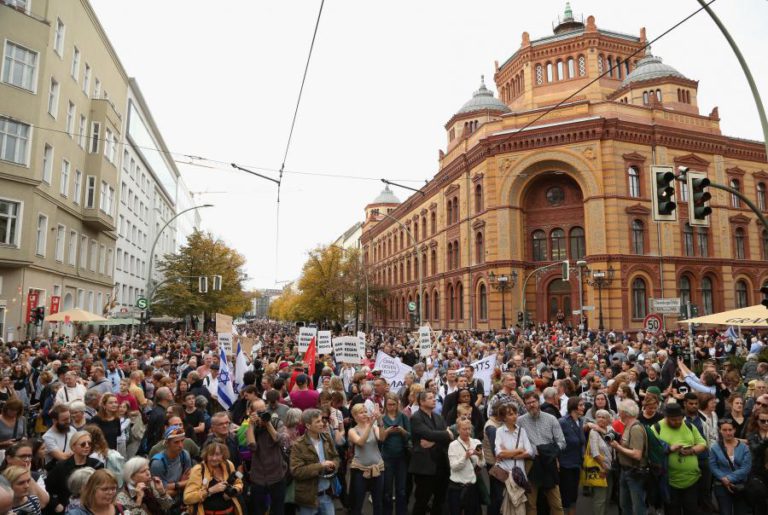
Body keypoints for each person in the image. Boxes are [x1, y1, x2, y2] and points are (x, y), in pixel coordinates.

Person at [651, 402, 707, 515]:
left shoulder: (689, 426)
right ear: (666, 417)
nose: (677, 422)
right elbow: (652, 452)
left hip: (691, 479)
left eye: (679, 419)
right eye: (673, 420)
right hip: (669, 482)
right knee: (672, 511)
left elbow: (703, 444)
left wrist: (691, 450)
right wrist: (669, 449)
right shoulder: (656, 428)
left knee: (691, 510)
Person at [517, 390, 565, 515]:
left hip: (549, 462)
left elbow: (561, 442)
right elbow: (518, 443)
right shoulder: (520, 421)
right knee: (531, 504)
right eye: (528, 403)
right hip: (531, 464)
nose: (531, 405)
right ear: (525, 405)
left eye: (533, 401)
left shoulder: (551, 419)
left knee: (556, 503)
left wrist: (548, 451)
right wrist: (534, 450)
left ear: (539, 402)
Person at [409, 391, 453, 515]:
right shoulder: (416, 417)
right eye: (430, 398)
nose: (434, 400)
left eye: (434, 398)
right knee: (422, 500)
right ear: (421, 402)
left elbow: (448, 439)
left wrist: (433, 442)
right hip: (424, 466)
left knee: (440, 499)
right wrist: (446, 434)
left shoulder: (438, 417)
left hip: (441, 464)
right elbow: (429, 434)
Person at [289, 408, 340, 515]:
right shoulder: (298, 445)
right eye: (317, 422)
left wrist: (334, 465)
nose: (322, 424)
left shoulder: (326, 438)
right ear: (308, 426)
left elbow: (336, 457)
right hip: (308, 498)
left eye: (321, 420)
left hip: (326, 495)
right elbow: (296, 471)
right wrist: (320, 466)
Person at [246, 398, 289, 515]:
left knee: (278, 509)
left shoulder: (276, 422)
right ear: (251, 413)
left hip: (277, 474)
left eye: (264, 410)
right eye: (259, 412)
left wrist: (268, 424)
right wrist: (251, 425)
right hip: (258, 475)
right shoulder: (250, 426)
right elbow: (252, 447)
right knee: (258, 510)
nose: (262, 414)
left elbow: (280, 441)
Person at [44, 430, 104, 513]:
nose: (87, 446)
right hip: (67, 509)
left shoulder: (97, 465)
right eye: (83, 444)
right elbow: (47, 488)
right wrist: (56, 504)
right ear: (73, 447)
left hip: (92, 508)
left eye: (89, 443)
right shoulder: (61, 467)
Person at [182, 440, 244, 515]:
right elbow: (187, 498)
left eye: (217, 454)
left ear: (223, 454)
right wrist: (210, 491)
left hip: (231, 512)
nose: (214, 458)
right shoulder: (198, 470)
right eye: (211, 454)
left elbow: (239, 482)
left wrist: (233, 491)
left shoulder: (228, 464)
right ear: (206, 454)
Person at [493, 403, 533, 515]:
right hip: (504, 475)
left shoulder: (522, 431)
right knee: (505, 508)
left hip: (518, 475)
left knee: (519, 508)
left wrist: (508, 454)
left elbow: (529, 452)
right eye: (510, 414)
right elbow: (499, 452)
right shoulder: (499, 431)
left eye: (515, 413)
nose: (515, 416)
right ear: (504, 417)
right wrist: (519, 450)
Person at [608, 399, 646, 515]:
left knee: (637, 507)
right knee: (624, 504)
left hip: (634, 473)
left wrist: (617, 447)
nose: (618, 413)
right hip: (625, 471)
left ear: (625, 413)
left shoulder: (635, 428)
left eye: (620, 411)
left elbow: (637, 455)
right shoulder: (628, 426)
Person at [348, 403, 385, 515]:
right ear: (355, 416)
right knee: (358, 502)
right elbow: (360, 442)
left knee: (378, 502)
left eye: (365, 411)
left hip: (378, 468)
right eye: (361, 412)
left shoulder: (374, 427)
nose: (364, 414)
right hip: (360, 469)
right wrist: (369, 425)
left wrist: (379, 420)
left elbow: (382, 438)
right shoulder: (352, 431)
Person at [709, 418, 751, 515]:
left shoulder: (744, 447)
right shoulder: (715, 447)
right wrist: (723, 478)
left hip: (740, 485)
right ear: (720, 431)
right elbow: (713, 466)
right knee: (725, 512)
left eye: (730, 430)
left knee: (741, 512)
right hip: (721, 485)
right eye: (724, 430)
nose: (728, 433)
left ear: (734, 430)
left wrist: (728, 478)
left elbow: (746, 468)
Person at [150, 425, 193, 513]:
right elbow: (161, 491)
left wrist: (172, 486)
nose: (180, 445)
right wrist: (180, 485)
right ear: (167, 443)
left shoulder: (185, 455)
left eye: (182, 441)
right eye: (176, 442)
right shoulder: (158, 463)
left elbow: (190, 480)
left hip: (182, 502)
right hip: (163, 506)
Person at [380, 392, 410, 515]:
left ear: (397, 404)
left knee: (401, 489)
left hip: (401, 457)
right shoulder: (382, 418)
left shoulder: (403, 417)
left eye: (394, 404)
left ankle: (401, 512)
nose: (391, 407)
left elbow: (409, 435)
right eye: (389, 404)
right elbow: (380, 438)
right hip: (387, 457)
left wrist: (402, 431)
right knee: (387, 490)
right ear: (385, 405)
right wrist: (387, 431)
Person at [447, 417, 485, 515]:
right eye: (464, 429)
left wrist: (480, 456)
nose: (468, 431)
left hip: (472, 486)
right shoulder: (453, 445)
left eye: (469, 429)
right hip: (457, 487)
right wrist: (465, 457)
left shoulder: (476, 442)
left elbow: (481, 464)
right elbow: (454, 467)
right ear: (458, 430)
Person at [0, 440, 50, 505]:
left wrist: (27, 475)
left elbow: (42, 503)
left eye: (29, 456)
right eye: (22, 456)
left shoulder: (35, 476)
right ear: (9, 459)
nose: (27, 460)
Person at [558, 397, 586, 515]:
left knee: (574, 494)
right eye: (581, 405)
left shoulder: (580, 421)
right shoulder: (563, 422)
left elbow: (581, 441)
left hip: (577, 463)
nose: (583, 407)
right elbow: (557, 442)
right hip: (565, 464)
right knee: (566, 495)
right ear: (573, 407)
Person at [587, 409, 613, 515]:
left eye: (604, 417)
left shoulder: (610, 429)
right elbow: (595, 453)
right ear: (595, 419)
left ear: (608, 420)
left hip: (610, 468)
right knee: (600, 499)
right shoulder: (593, 432)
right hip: (600, 469)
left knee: (608, 498)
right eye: (599, 417)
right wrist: (603, 468)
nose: (601, 419)